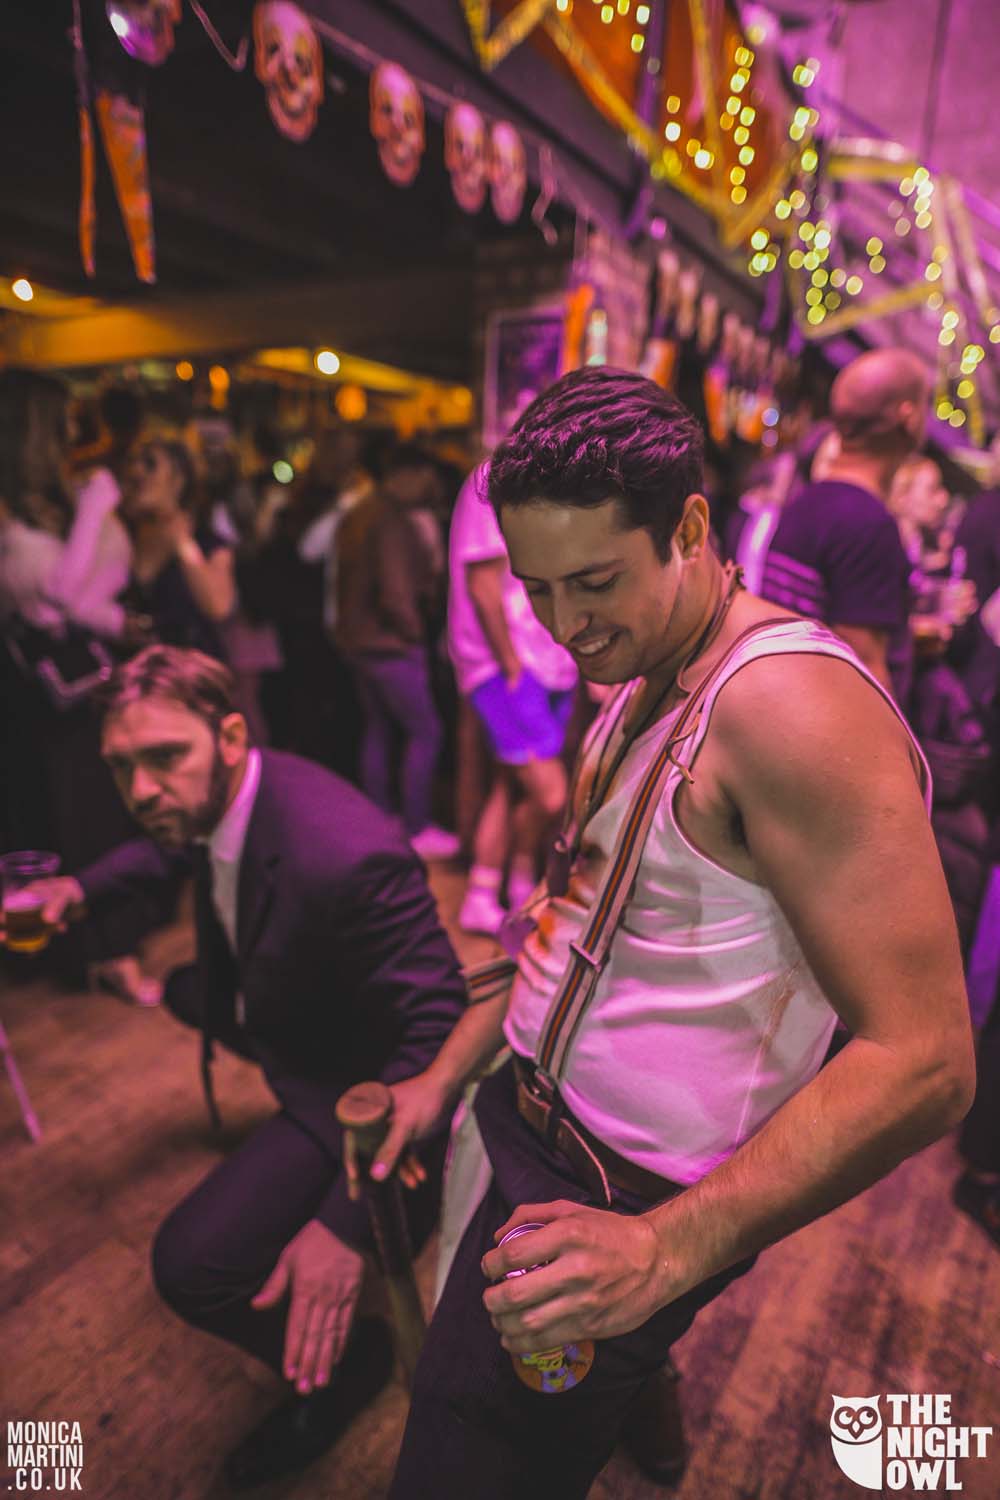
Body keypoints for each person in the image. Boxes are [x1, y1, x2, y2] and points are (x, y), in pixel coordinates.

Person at [364, 367, 973, 1500]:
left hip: (626, 1196)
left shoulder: (788, 710)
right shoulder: (645, 663)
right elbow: (573, 924)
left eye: (594, 581)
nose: (564, 628)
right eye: (538, 590)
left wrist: (661, 1254)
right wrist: (446, 1073)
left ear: (690, 529)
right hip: (532, 1132)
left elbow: (928, 1061)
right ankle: (642, 1399)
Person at [21, 645, 468, 1490]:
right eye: (121, 767)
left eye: (164, 757)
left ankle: (352, 1363)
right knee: (187, 989)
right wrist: (76, 892)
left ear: (230, 736)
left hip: (360, 1096)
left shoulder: (344, 854)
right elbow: (167, 850)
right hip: (299, 1037)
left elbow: (441, 1034)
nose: (141, 790)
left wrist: (344, 1224)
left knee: (190, 1265)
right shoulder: (212, 798)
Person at [448, 463, 578, 935]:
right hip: (507, 665)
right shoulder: (493, 479)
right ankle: (519, 884)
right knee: (551, 793)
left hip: (544, 663)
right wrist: (511, 667)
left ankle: (487, 891)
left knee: (510, 785)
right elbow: (483, 586)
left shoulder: (549, 474)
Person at [760, 347, 928, 701]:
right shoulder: (869, 525)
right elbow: (865, 677)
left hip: (780, 704)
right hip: (820, 719)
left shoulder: (807, 501)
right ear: (909, 417)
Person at [336, 443, 459, 860]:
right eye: (426, 479)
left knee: (379, 732)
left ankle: (380, 823)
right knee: (427, 732)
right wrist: (414, 634)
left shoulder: (360, 512)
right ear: (408, 474)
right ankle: (416, 827)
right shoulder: (390, 520)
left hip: (358, 642)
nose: (429, 488)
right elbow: (395, 593)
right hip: (390, 645)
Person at [119, 438, 235, 661]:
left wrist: (182, 542)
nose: (136, 471)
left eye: (150, 464)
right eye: (132, 462)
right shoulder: (124, 533)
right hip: (138, 668)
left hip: (191, 669)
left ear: (178, 480)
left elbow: (218, 606)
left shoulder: (208, 543)